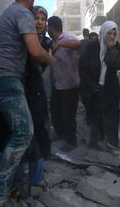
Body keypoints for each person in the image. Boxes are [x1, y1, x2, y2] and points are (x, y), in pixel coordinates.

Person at [0, 0, 52, 206]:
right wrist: (49, 58)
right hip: (9, 78)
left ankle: (11, 184)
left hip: (1, 79)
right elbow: (35, 50)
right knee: (25, 133)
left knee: (17, 132)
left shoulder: (7, 12)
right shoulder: (23, 13)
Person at [9, 5, 52, 195]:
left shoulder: (47, 43)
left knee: (39, 130)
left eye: (43, 19)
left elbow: (40, 68)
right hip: (19, 89)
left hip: (36, 91)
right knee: (18, 132)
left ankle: (36, 177)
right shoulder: (19, 39)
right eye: (36, 18)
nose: (40, 22)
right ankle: (17, 178)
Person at [79, 21, 120, 155]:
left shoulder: (116, 47)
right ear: (103, 33)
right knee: (94, 117)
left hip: (110, 89)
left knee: (112, 118)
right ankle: (95, 143)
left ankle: (111, 145)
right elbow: (83, 68)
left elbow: (117, 64)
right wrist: (90, 86)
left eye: (114, 33)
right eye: (109, 33)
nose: (111, 36)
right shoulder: (91, 47)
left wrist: (111, 49)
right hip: (93, 88)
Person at [48, 16, 80, 149]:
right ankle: (60, 133)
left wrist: (60, 44)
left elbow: (78, 44)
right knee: (55, 110)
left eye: (47, 27)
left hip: (70, 85)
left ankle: (71, 141)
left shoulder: (65, 38)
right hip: (58, 84)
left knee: (68, 115)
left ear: (51, 27)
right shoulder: (53, 41)